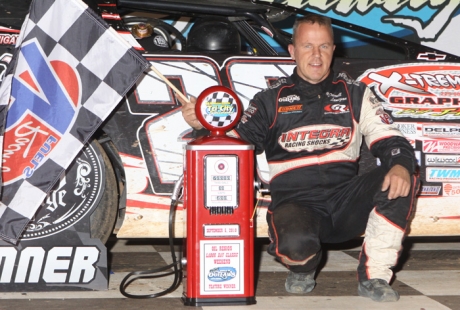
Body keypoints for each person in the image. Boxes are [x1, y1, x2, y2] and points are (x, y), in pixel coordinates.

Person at [179, 14, 420, 302]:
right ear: (292, 51)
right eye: (307, 46)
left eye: (324, 47)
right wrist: (204, 125)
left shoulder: (356, 93)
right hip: (296, 202)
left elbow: (391, 139)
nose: (316, 56)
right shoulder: (269, 100)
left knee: (400, 176)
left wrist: (401, 164)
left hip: (346, 202)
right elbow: (233, 145)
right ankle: (303, 268)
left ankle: (375, 276)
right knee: (296, 247)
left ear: (334, 49)